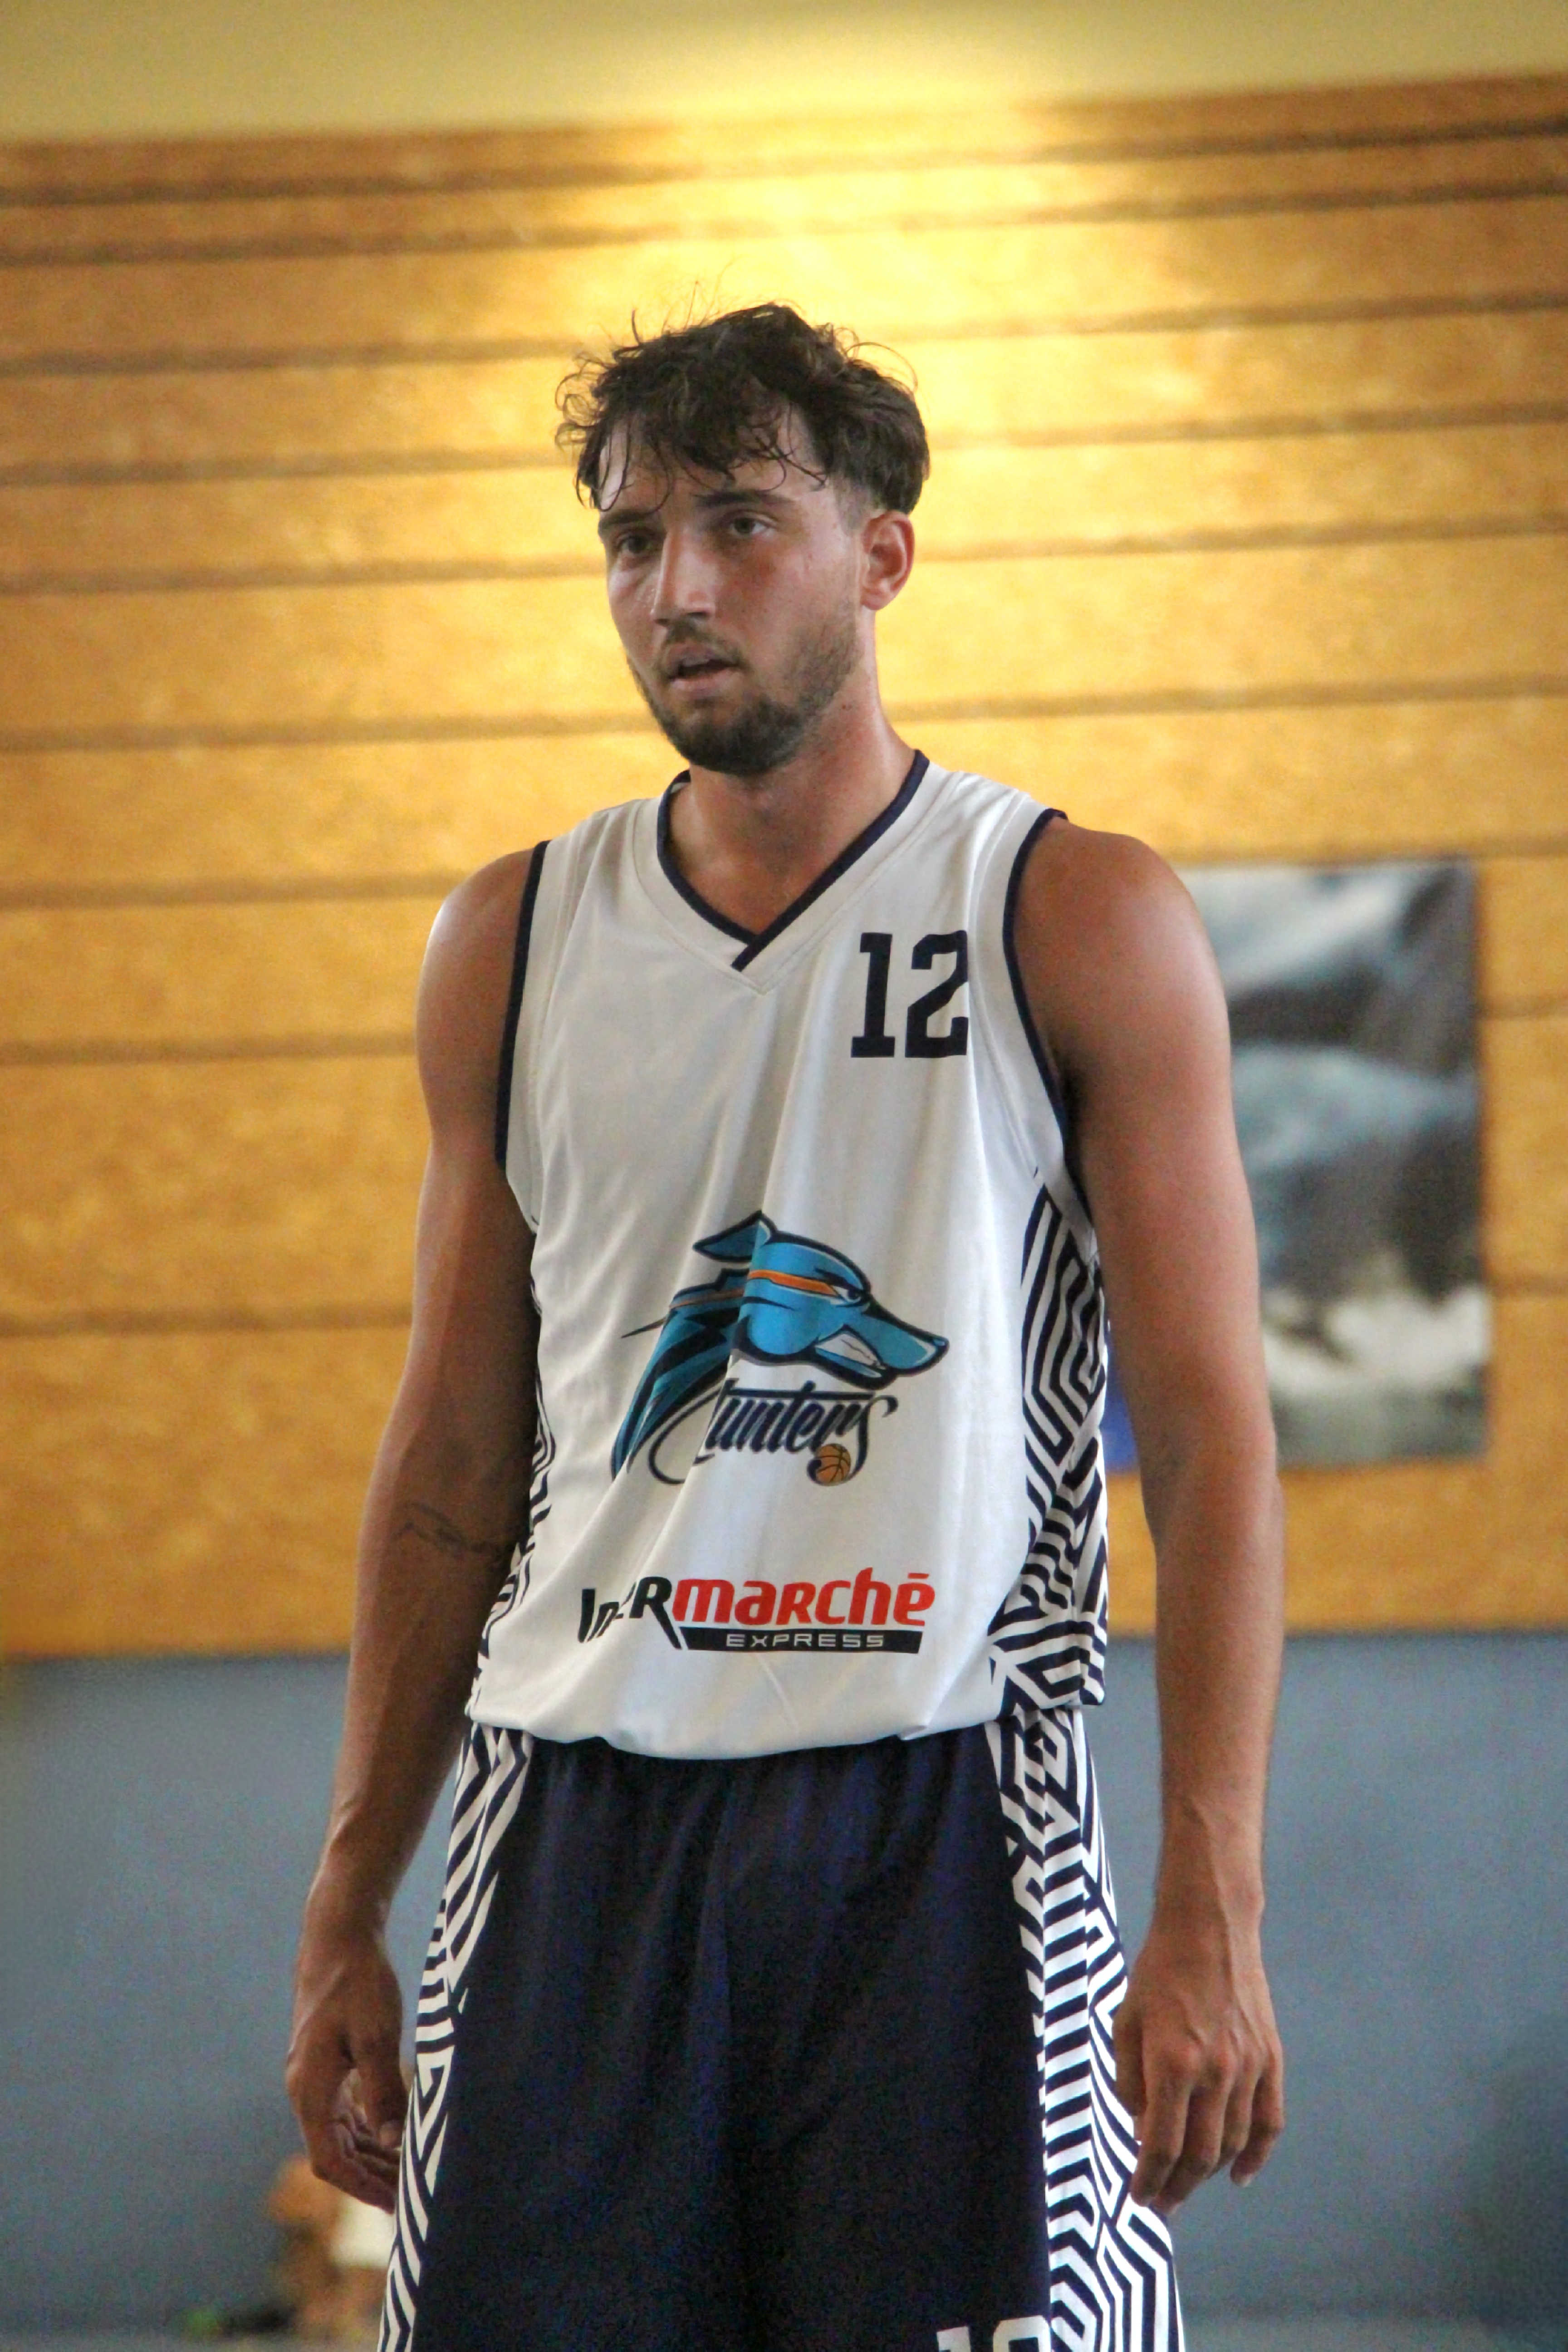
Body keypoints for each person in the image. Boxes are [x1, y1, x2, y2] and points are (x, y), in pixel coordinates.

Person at [287, 302, 1285, 2352]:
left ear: (882, 554)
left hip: (946, 1816)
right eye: (633, 538)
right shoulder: (513, 938)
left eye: (741, 523)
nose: (678, 588)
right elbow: (455, 1465)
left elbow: (1208, 1446)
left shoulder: (1070, 911)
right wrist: (345, 1900)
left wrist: (1214, 1895)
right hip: (570, 1820)